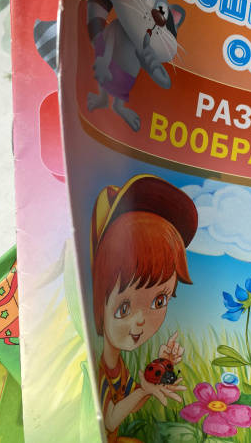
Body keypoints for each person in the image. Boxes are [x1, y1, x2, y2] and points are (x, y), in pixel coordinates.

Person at [90, 174, 198, 442]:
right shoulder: (100, 369)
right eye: (124, 308)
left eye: (159, 301)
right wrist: (145, 390)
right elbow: (111, 418)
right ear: (99, 301)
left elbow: (130, 405)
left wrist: (152, 383)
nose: (140, 321)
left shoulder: (119, 366)